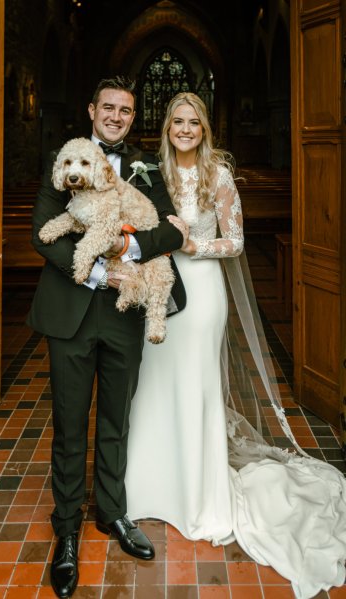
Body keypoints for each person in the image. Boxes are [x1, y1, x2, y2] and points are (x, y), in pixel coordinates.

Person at [125, 92, 346, 599]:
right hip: (161, 291)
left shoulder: (218, 175)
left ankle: (200, 496)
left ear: (204, 128)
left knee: (197, 386)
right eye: (177, 122)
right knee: (155, 385)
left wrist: (191, 245)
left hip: (202, 294)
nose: (185, 129)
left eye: (193, 123)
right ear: (167, 127)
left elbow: (237, 242)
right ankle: (150, 488)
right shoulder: (152, 171)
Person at [26, 76, 186, 599]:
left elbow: (168, 232)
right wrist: (97, 273)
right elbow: (41, 232)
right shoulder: (65, 158)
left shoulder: (145, 167)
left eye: (126, 111)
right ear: (92, 109)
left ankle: (112, 515)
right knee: (70, 425)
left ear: (132, 118)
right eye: (109, 107)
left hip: (124, 312)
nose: (116, 117)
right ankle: (67, 529)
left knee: (116, 419)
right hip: (71, 312)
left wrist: (125, 252)